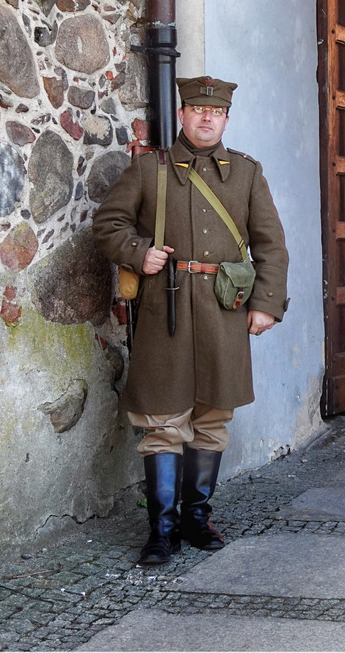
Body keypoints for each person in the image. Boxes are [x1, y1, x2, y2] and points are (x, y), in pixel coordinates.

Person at [92, 76, 288, 566]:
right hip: (166, 310)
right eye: (196, 109)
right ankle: (161, 531)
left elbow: (270, 245)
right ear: (181, 114)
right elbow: (107, 224)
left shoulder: (246, 173)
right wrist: (138, 253)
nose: (206, 117)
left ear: (226, 118)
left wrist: (265, 303)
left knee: (214, 417)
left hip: (224, 310)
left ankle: (196, 520)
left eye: (215, 111)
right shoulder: (149, 169)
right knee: (161, 419)